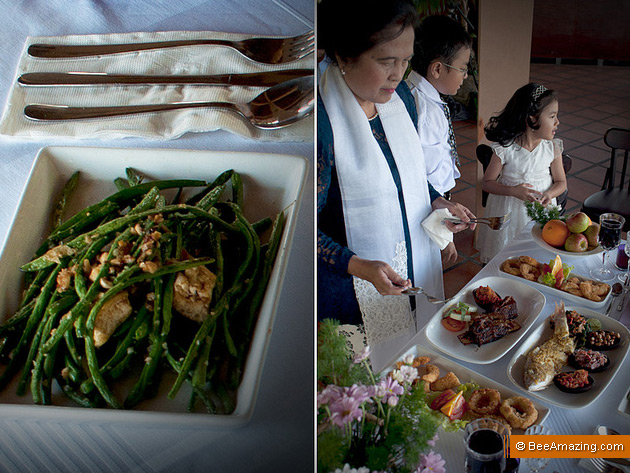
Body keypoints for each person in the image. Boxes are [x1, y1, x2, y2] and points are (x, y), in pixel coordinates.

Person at [317, 0, 476, 369]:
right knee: (374, 384)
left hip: (410, 269)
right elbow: (304, 227)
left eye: (405, 60)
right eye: (386, 61)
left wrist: (437, 202)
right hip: (354, 287)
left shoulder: (401, 97)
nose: (398, 74)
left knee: (419, 365)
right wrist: (357, 265)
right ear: (345, 55)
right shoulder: (323, 121)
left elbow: (405, 173)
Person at [477, 83, 567, 263]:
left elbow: (561, 182)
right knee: (506, 256)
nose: (557, 122)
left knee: (537, 254)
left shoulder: (552, 148)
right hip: (508, 208)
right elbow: (487, 182)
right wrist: (513, 191)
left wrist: (549, 193)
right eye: (552, 116)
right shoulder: (506, 148)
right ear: (532, 118)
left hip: (540, 210)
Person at [406, 15, 472, 200]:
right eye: (463, 69)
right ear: (437, 69)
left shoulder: (418, 94)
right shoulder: (427, 111)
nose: (465, 76)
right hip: (431, 200)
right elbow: (429, 174)